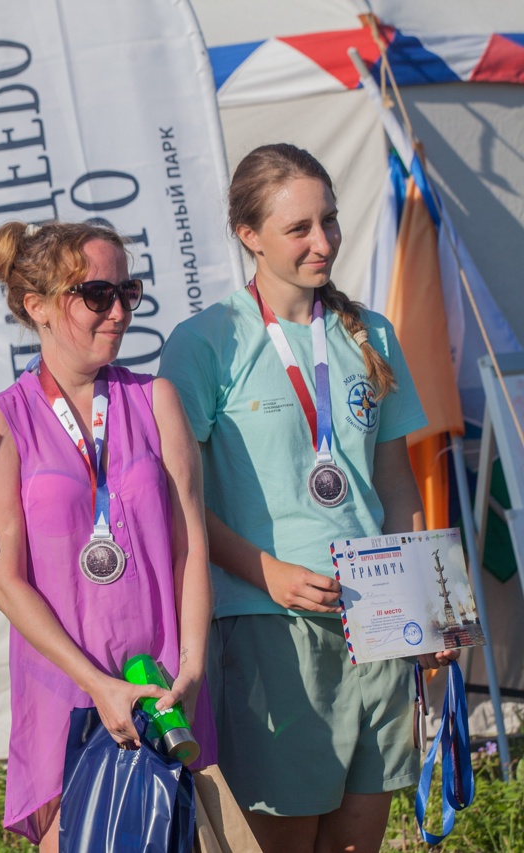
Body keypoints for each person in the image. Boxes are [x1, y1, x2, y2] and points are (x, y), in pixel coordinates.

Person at [158, 143, 458, 853]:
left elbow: (394, 483)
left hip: (378, 619)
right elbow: (175, 499)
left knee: (358, 838)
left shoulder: (371, 333)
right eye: (299, 228)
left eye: (329, 220)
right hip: (268, 625)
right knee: (284, 837)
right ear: (249, 235)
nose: (322, 242)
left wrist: (431, 608)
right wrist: (263, 569)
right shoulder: (205, 342)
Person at [0, 221, 215, 850]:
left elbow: (190, 548)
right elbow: (3, 580)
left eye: (127, 292)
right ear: (38, 305)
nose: (119, 312)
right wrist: (99, 685)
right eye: (97, 295)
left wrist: (191, 668)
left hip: (164, 683)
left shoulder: (155, 399)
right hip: (67, 692)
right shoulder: (4, 419)